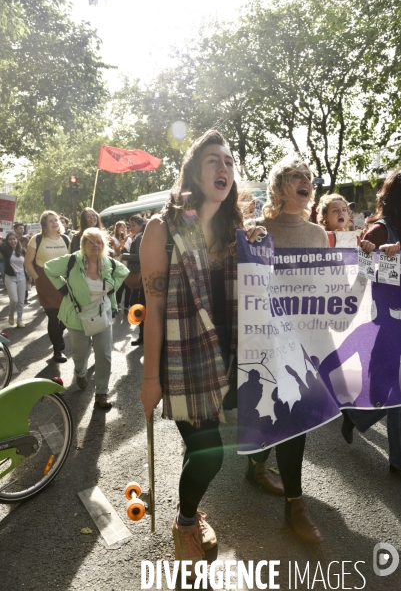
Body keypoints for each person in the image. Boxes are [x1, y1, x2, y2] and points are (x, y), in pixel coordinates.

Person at [139, 130, 264, 577]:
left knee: (207, 450)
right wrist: (150, 380)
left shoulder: (239, 233)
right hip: (181, 363)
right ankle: (186, 522)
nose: (224, 168)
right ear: (193, 172)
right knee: (209, 452)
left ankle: (192, 511)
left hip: (230, 360)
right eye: (213, 160)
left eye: (229, 161)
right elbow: (153, 309)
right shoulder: (162, 229)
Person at [248, 155, 330, 545]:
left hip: (305, 338)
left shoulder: (317, 233)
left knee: (287, 413)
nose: (306, 181)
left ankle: (256, 465)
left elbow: (327, 286)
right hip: (267, 338)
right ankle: (295, 506)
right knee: (288, 415)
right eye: (297, 176)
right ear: (280, 187)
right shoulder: (258, 231)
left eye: (309, 177)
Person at [336, 169, 401, 475]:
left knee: (391, 391)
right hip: (386, 323)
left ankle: (356, 417)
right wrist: (371, 254)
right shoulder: (380, 230)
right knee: (395, 392)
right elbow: (360, 274)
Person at [44, 227, 129, 408]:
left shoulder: (109, 263)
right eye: (90, 241)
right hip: (77, 315)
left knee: (104, 355)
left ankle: (102, 393)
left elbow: (123, 272)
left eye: (99, 242)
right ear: (83, 244)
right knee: (81, 352)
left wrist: (113, 286)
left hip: (102, 313)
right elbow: (49, 268)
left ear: (104, 245)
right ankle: (80, 372)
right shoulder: (73, 260)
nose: (95, 245)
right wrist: (63, 289)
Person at [24, 211, 70, 362]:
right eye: (51, 221)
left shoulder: (65, 238)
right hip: (45, 281)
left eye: (56, 220)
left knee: (65, 315)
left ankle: (58, 339)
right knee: (53, 315)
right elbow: (28, 262)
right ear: (44, 225)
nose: (55, 222)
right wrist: (38, 278)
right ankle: (57, 350)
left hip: (63, 280)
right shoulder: (37, 239)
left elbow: (70, 261)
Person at [122, 214, 147, 343]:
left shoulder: (140, 238)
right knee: (136, 304)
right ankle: (142, 335)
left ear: (141, 225)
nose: (131, 228)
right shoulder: (136, 237)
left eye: (133, 225)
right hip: (136, 273)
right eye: (130, 225)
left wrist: (125, 255)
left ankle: (143, 336)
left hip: (138, 274)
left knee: (137, 305)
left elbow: (138, 256)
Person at [0, 232, 28, 327]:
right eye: (10, 239)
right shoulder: (5, 249)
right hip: (10, 277)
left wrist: (29, 276)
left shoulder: (22, 250)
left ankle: (19, 320)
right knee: (14, 299)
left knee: (21, 301)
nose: (12, 241)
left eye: (14, 239)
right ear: (7, 241)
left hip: (21, 277)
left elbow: (27, 264)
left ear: (17, 239)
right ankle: (11, 313)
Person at [111, 221, 131, 312]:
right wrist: (121, 243)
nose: (123, 228)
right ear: (117, 229)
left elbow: (130, 252)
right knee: (120, 284)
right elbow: (118, 252)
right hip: (118, 263)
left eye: (124, 227)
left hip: (127, 263)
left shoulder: (129, 239)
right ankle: (118, 303)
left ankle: (127, 305)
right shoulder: (113, 239)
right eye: (120, 227)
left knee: (128, 285)